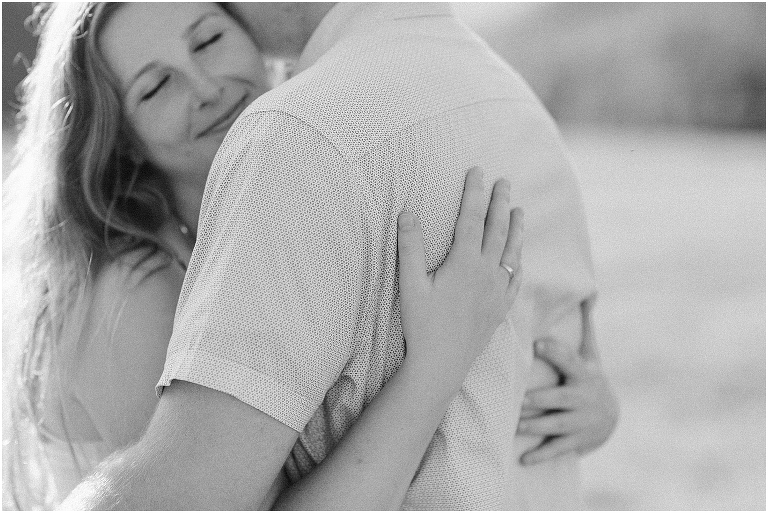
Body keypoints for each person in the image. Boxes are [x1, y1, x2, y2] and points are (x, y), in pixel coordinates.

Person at [4, 2, 617, 510]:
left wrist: (583, 403)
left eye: (209, 40)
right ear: (122, 143)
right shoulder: (135, 289)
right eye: (156, 86)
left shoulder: (258, 231)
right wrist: (436, 366)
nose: (206, 87)